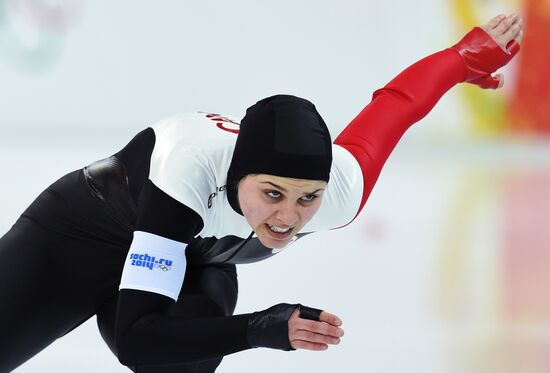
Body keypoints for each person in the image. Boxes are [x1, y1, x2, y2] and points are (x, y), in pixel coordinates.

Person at [0, 13, 523, 372]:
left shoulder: (339, 191)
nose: (288, 217)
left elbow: (399, 103)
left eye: (306, 198)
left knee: (185, 358)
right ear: (235, 178)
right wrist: (261, 328)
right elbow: (138, 339)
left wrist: (463, 58)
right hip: (81, 236)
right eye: (272, 193)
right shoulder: (188, 173)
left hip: (194, 258)